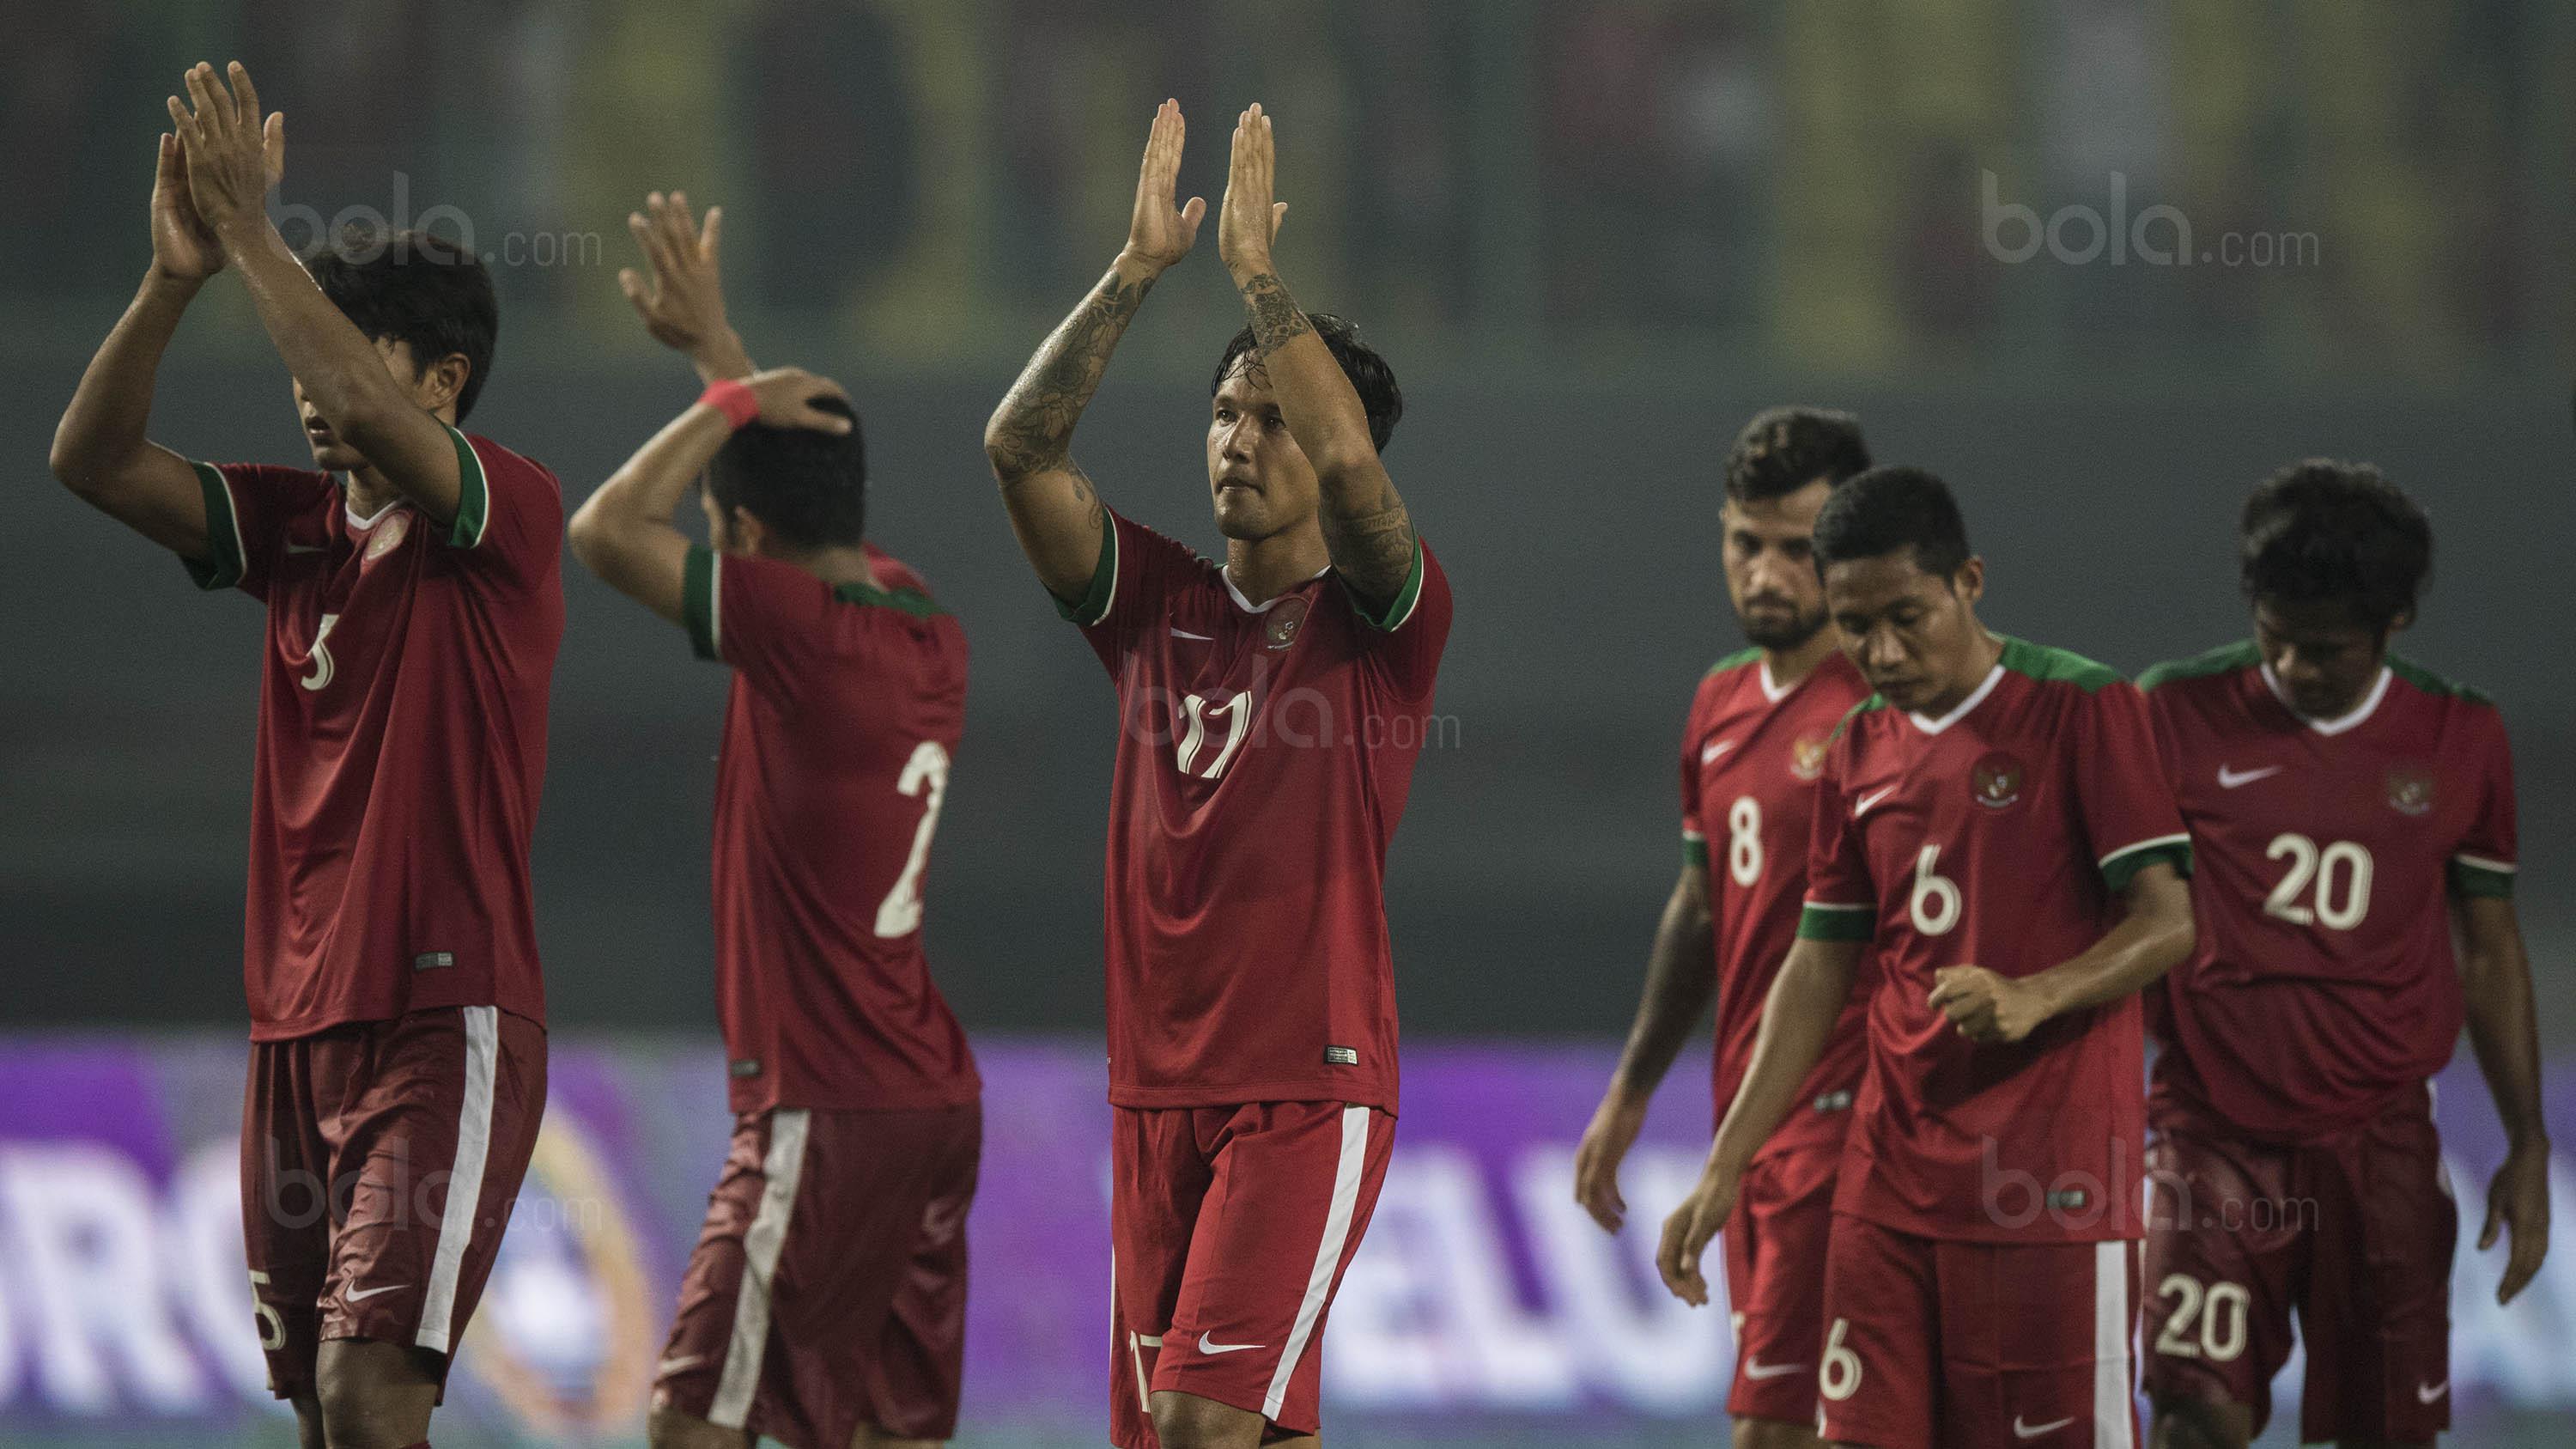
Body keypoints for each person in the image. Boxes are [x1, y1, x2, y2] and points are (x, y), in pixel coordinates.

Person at [51, 62, 559, 1449]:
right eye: (302, 355)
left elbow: (366, 409)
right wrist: (177, 278)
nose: (309, 385)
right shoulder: (293, 532)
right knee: (323, 1416)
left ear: (442, 381)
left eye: (351, 350)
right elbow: (90, 458)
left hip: (439, 1013)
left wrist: (253, 234)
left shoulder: (504, 513)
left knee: (370, 1388)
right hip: (294, 1024)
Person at [981, 100, 1450, 1449]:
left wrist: (1256, 277)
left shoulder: (1388, 622)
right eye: (1225, 413)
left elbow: (1354, 466)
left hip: (1306, 1082)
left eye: (1272, 419)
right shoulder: (1153, 604)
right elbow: (1020, 448)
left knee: (1198, 1424)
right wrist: (1137, 270)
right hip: (1152, 1093)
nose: (1239, 440)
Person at [1657, 466, 2197, 1448]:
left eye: (1907, 617)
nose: (1883, 651)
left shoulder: (2083, 706)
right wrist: (1725, 1163)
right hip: (1890, 1182)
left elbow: (2168, 921)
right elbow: (1818, 963)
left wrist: (2038, 993)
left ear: (1969, 582)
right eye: (1856, 626)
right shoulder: (1858, 744)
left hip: (2051, 1190)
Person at [568, 193, 983, 1449]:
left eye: (723, 540)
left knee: (691, 1423)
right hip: (929, 1102)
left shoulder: (793, 636)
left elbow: (604, 531)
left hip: (823, 1105)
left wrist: (727, 397)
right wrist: (722, 352)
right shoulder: (923, 620)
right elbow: (797, 505)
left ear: (745, 543)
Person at [2134, 461, 2549, 1449]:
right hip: (2208, 1134)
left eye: (2326, 651)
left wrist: (2528, 1139)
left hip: (2380, 1141)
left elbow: (2490, 949)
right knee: (2194, 1418)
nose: (2294, 668)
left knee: (2387, 1431)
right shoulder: (2167, 713)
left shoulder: (2458, 735)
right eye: (2273, 638)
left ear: (2394, 621)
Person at [1572, 406, 1875, 1448]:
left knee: (1777, 1429)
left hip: (1855, 1124)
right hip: (1750, 1124)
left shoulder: (1887, 707)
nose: (1766, 573)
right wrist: (1631, 1090)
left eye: (1798, 549)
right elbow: (1701, 908)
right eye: (1747, 543)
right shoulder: (1720, 703)